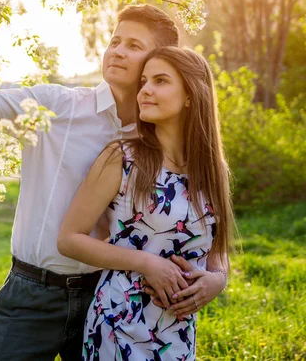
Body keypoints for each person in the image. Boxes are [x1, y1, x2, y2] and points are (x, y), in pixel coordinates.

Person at [0, 0, 227, 360]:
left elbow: (201, 226)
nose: (116, 51)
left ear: (160, 60)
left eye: (133, 46)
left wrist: (218, 277)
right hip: (33, 293)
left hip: (105, 299)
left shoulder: (151, 142)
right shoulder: (55, 106)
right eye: (114, 41)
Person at [57, 47, 233, 361]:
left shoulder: (212, 169)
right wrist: (146, 262)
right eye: (144, 81)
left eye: (160, 81)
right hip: (118, 325)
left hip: (177, 334)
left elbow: (217, 249)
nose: (145, 90)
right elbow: (70, 239)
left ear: (191, 95)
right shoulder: (122, 157)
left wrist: (218, 280)